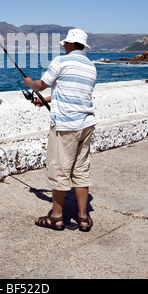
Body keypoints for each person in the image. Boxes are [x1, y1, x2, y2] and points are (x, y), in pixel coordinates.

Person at [24, 29, 97, 232]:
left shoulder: (60, 61)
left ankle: (56, 217)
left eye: (66, 43)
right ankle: (83, 217)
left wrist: (29, 83)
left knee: (59, 169)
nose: (64, 46)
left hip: (66, 125)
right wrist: (46, 101)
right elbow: (73, 93)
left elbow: (41, 84)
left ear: (72, 44)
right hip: (86, 124)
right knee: (81, 169)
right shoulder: (91, 67)